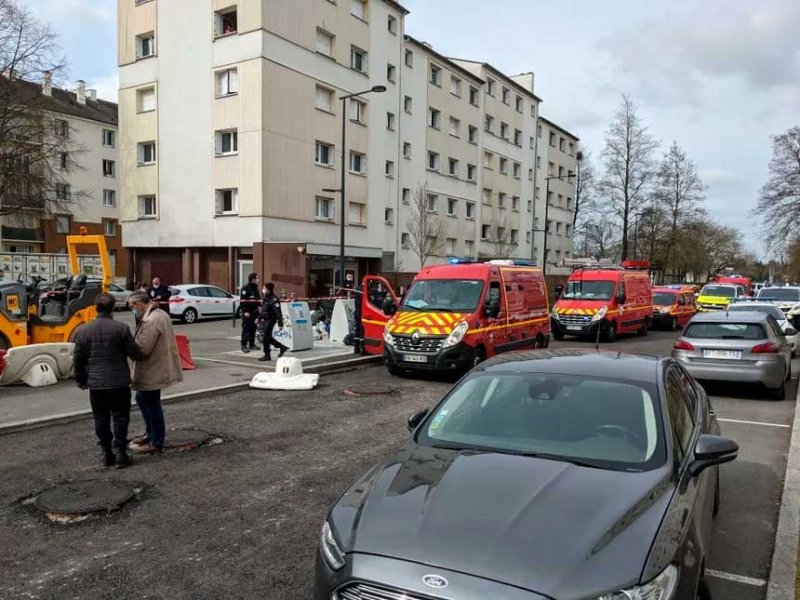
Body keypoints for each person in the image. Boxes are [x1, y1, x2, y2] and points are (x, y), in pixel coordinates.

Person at [73, 293, 141, 468]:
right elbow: (134, 352)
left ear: (96, 309)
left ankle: (106, 453)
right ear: (113, 309)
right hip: (119, 382)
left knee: (100, 418)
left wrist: (81, 380)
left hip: (96, 383)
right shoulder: (121, 328)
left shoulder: (83, 331)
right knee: (120, 418)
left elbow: (78, 360)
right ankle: (120, 453)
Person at [127, 291, 183, 453]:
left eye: (132, 306)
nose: (132, 309)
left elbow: (143, 349)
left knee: (150, 403)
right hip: (157, 365)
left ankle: (156, 440)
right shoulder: (159, 314)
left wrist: (127, 348)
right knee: (144, 400)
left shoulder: (151, 320)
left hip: (153, 368)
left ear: (139, 304)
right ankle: (151, 434)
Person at [258, 282, 289, 362]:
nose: (263, 290)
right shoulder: (266, 298)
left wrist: (280, 323)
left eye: (264, 288)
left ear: (268, 289)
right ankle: (282, 347)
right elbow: (263, 310)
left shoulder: (274, 299)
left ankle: (267, 355)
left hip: (271, 320)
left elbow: (278, 312)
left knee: (265, 337)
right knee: (267, 337)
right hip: (265, 319)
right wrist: (258, 318)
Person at [239, 272, 261, 353]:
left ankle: (252, 344)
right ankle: (244, 345)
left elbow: (257, 299)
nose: (258, 280)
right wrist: (245, 311)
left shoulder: (255, 288)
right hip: (248, 312)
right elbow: (242, 301)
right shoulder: (245, 288)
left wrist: (259, 306)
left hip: (255, 312)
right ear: (253, 279)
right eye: (257, 278)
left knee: (253, 328)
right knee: (246, 329)